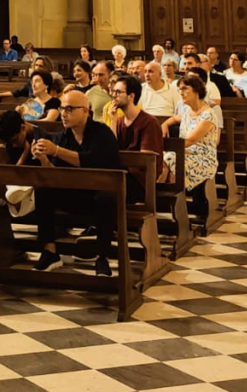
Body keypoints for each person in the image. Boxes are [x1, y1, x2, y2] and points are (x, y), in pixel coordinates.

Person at [31, 90, 122, 276]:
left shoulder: (101, 133)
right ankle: (49, 252)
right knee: (42, 190)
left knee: (106, 197)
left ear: (85, 111)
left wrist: (56, 151)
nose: (64, 113)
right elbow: (54, 174)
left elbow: (92, 160)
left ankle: (102, 257)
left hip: (100, 196)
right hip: (73, 195)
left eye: (70, 109)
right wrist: (43, 159)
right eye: (62, 108)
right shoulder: (62, 136)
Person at [0, 110, 42, 267]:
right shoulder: (12, 140)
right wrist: (25, 153)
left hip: (36, 195)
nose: (12, 145)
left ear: (22, 127)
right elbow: (13, 173)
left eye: (14, 140)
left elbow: (41, 175)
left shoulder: (41, 138)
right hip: (15, 191)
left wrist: (26, 153)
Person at [161, 76, 219, 209]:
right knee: (164, 160)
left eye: (185, 89)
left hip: (202, 158)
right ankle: (166, 203)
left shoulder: (208, 115)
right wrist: (164, 125)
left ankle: (170, 205)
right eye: (179, 89)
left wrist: (167, 148)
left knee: (168, 159)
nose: (181, 93)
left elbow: (190, 140)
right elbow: (174, 119)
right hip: (183, 153)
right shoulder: (186, 110)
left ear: (197, 90)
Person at [111, 73, 164, 201]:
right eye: (113, 91)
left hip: (141, 181)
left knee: (108, 190)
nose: (113, 96)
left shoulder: (149, 122)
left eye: (118, 92)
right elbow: (111, 150)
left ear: (131, 96)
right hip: (123, 174)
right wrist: (112, 121)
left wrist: (120, 158)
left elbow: (144, 160)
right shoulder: (118, 121)